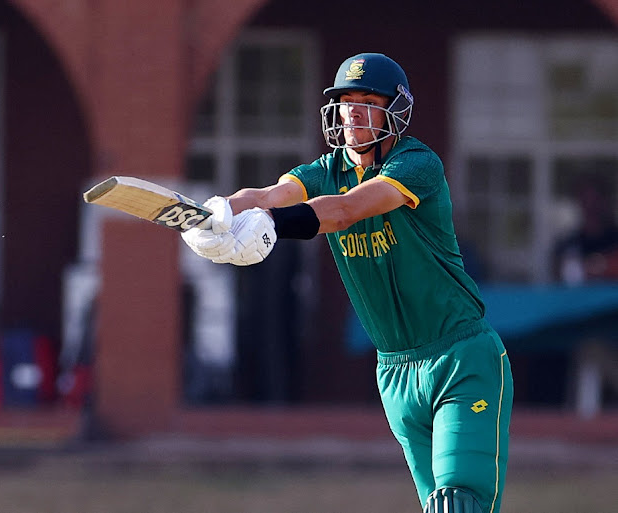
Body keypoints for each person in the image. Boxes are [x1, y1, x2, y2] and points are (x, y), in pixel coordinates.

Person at [182, 52, 513, 513]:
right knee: (436, 505)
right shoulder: (325, 169)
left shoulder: (417, 163)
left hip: (460, 357)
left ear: (395, 110)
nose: (353, 111)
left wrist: (272, 224)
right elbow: (265, 195)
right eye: (345, 101)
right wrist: (220, 212)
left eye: (367, 100)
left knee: (458, 502)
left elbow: (345, 210)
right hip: (395, 371)